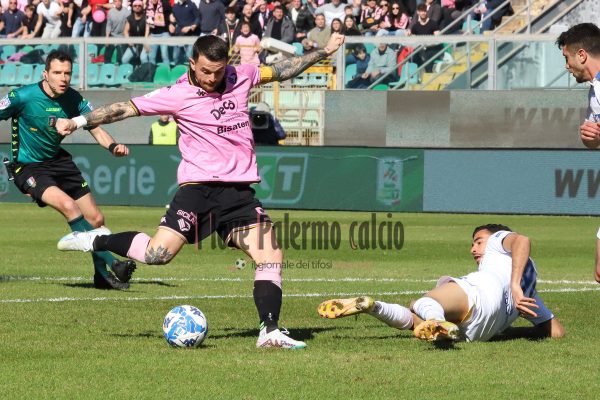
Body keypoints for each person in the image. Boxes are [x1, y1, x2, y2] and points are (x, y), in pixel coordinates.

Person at [55, 33, 346, 349]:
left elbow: (281, 70)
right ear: (192, 63)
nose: (211, 78)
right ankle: (94, 239)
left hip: (238, 192)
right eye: (205, 70)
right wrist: (78, 121)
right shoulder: (177, 94)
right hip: (198, 190)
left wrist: (324, 51)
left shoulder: (241, 76)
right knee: (156, 255)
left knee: (271, 254)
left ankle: (270, 331)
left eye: (217, 72)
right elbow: (124, 109)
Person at [0, 50, 136, 290]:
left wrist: (112, 146)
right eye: (57, 73)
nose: (63, 78)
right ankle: (114, 264)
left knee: (96, 219)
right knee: (69, 206)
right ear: (45, 74)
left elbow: (95, 127)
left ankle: (101, 277)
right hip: (28, 167)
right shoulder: (21, 96)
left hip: (59, 162)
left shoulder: (74, 99)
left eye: (67, 73)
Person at [318, 224, 565, 342]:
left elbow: (522, 240)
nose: (473, 249)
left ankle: (432, 318)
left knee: (424, 302)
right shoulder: (530, 293)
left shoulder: (498, 241)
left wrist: (514, 285)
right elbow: (556, 332)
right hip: (480, 332)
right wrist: (511, 332)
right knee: (418, 321)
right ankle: (375, 307)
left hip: (480, 293)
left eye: (478, 241)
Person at [556, 23, 600, 283]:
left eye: (567, 58)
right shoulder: (595, 90)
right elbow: (593, 139)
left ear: (581, 55)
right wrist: (590, 139)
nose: (566, 66)